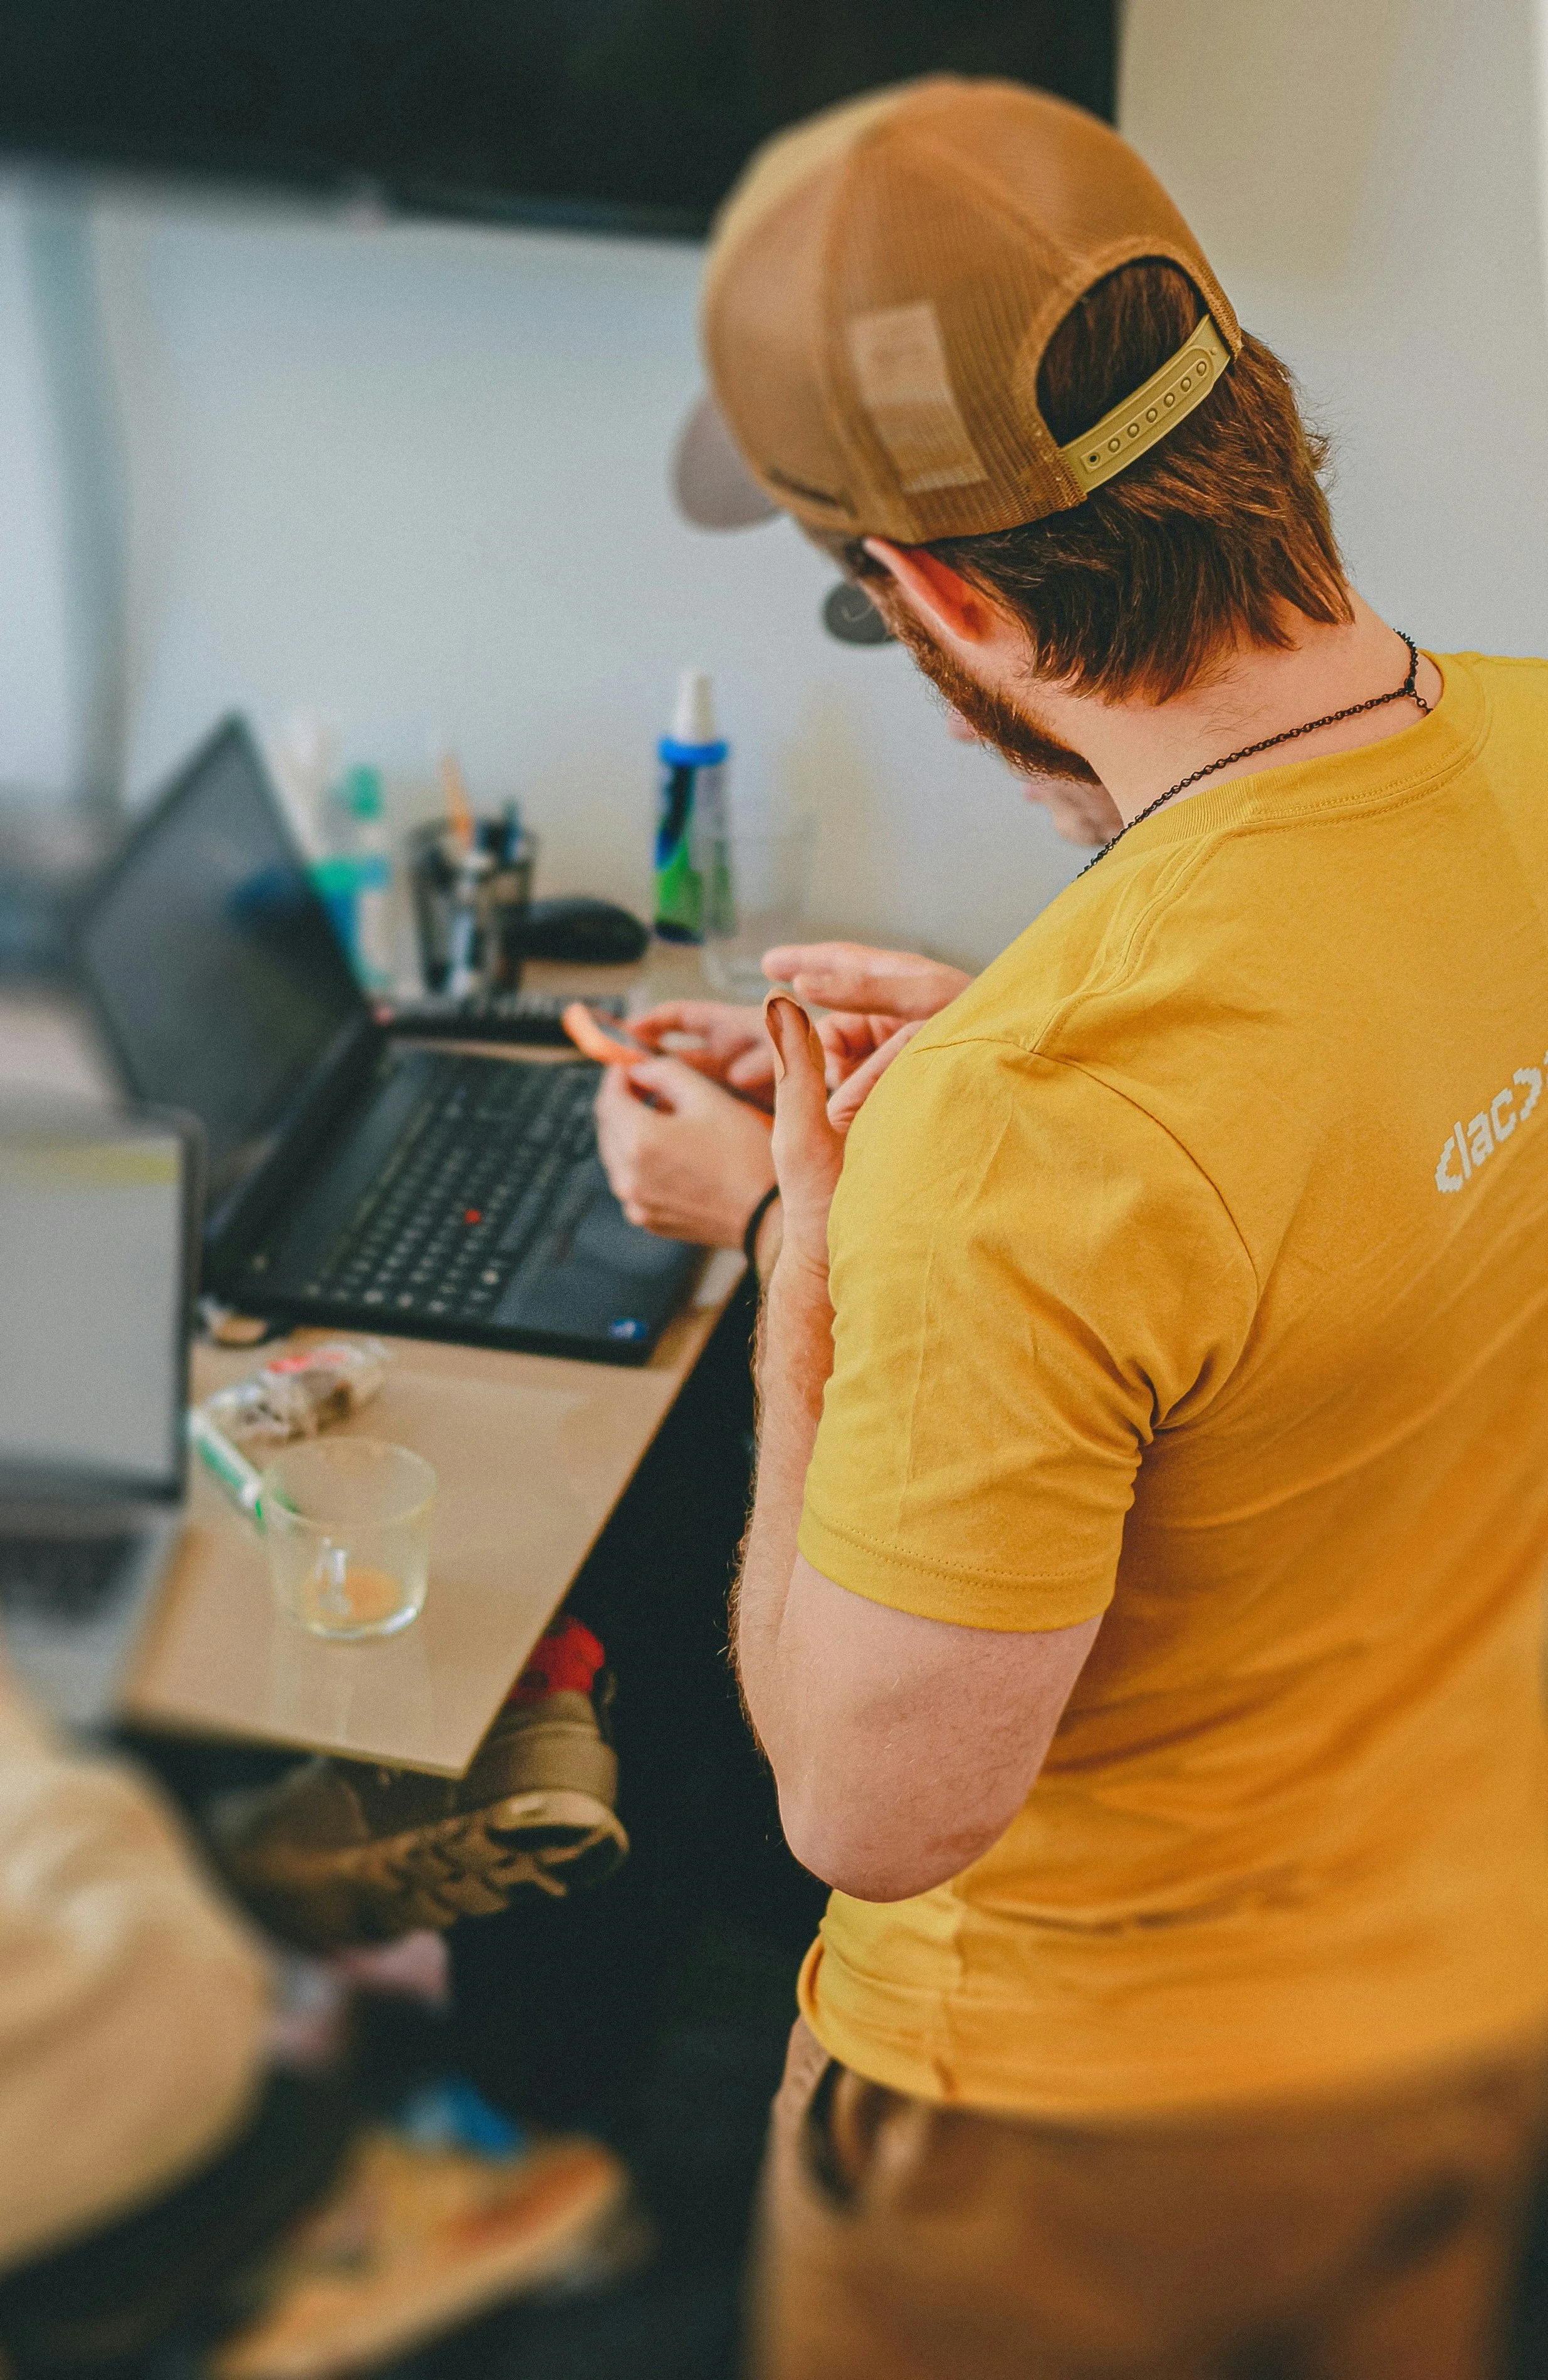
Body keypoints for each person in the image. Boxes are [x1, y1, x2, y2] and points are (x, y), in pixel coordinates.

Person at [670, 75, 1548, 2380]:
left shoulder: (1036, 1130)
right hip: (1470, 2007)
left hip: (1083, 2149)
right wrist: (1026, 1111)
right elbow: (1364, 1168)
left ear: (938, 595)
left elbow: (871, 1809)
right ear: (1237, 394)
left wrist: (812, 1272)